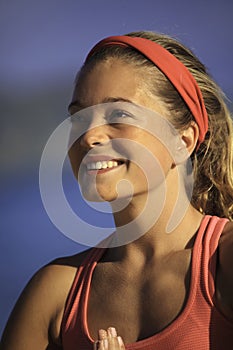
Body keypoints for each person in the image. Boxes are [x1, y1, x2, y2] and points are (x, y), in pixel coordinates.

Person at [1, 31, 233, 350]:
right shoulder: (54, 294)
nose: (88, 136)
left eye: (119, 114)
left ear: (184, 140)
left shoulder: (222, 264)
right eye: (78, 118)